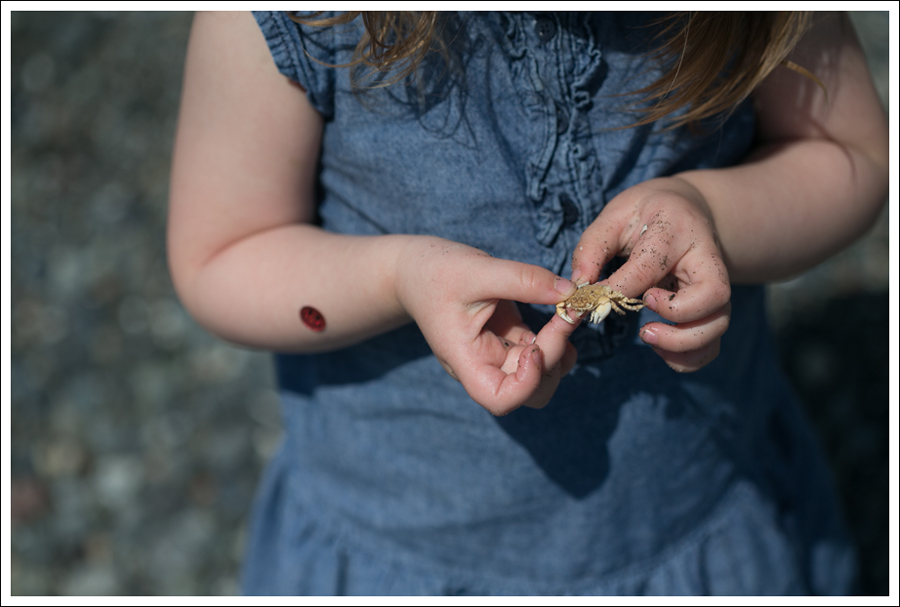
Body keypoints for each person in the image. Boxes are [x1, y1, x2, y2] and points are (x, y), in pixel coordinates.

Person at [167, 11, 887, 595]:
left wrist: (710, 213)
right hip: (400, 538)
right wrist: (395, 279)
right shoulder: (303, 18)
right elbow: (220, 255)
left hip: (690, 510)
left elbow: (850, 154)